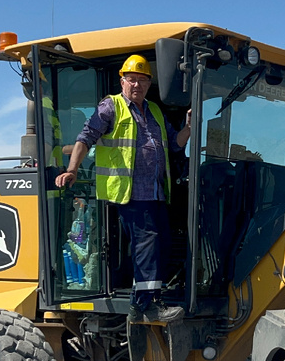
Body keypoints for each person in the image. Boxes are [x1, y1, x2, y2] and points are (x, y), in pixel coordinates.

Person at [55, 54, 191, 321]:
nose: (136, 85)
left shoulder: (153, 111)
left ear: (150, 84)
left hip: (156, 192)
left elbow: (175, 144)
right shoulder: (111, 106)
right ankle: (143, 306)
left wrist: (188, 127)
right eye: (131, 80)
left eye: (142, 80)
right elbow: (85, 138)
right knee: (147, 243)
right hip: (128, 192)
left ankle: (150, 298)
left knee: (162, 241)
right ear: (122, 82)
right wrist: (71, 170)